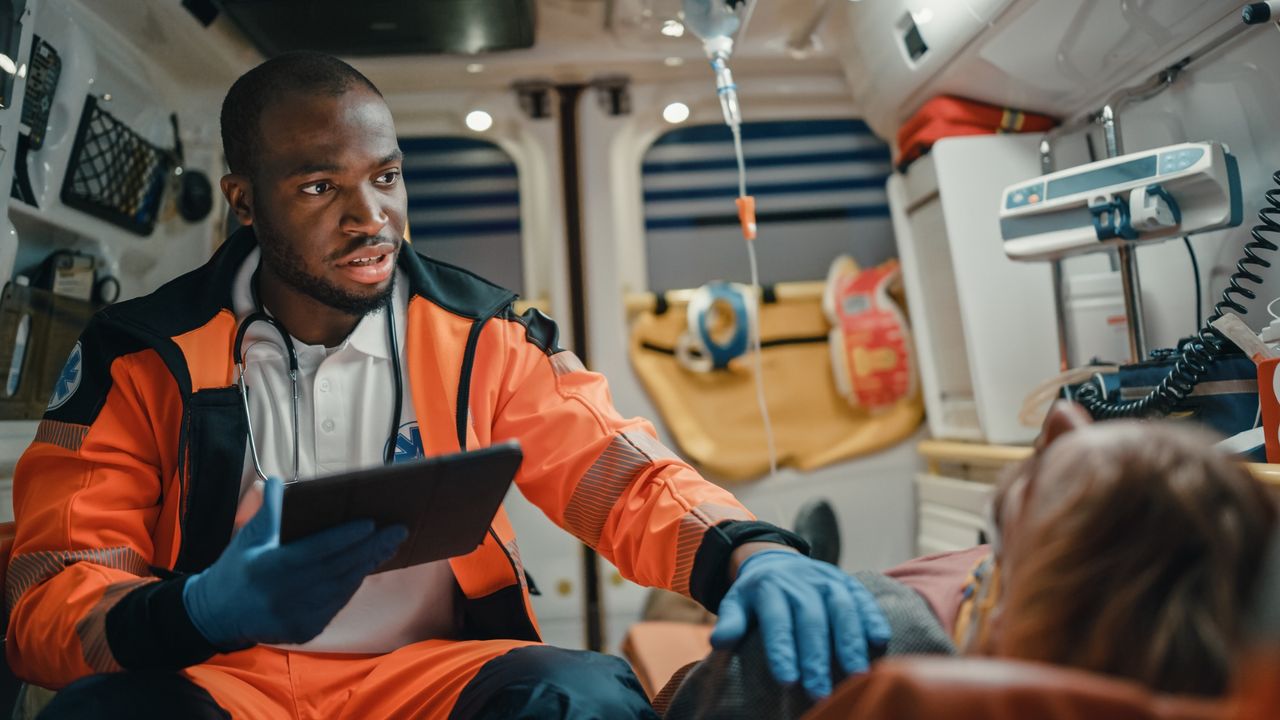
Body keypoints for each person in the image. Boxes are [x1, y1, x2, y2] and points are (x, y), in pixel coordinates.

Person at [4, 52, 889, 719]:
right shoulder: (141, 355)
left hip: (423, 677)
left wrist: (749, 553)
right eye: (320, 187)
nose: (371, 218)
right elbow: (49, 594)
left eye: (386, 178)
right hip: (221, 678)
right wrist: (198, 612)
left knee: (586, 698)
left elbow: (621, 477)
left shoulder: (484, 334)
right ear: (244, 202)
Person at [660, 402, 1278, 718]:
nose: (1063, 423)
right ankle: (806, 556)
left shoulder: (871, 644)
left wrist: (743, 552)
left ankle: (792, 564)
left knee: (693, 614)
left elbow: (689, 704)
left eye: (993, 571)